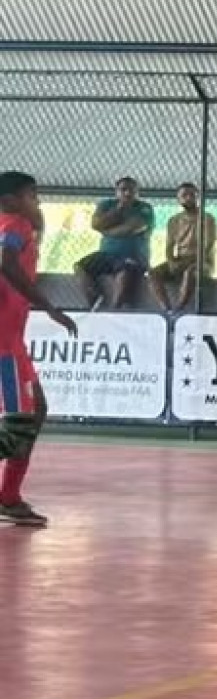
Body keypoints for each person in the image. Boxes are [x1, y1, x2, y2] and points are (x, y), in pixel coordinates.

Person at [0, 172, 78, 528]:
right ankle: (9, 497)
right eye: (33, 196)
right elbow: (6, 259)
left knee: (37, 411)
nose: (37, 203)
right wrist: (49, 306)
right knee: (20, 424)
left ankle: (9, 497)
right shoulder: (15, 223)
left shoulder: (14, 222)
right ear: (13, 199)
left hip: (12, 340)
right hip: (3, 343)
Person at [75, 176, 156, 309]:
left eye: (131, 190)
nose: (127, 193)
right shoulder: (106, 205)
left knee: (125, 271)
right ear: (116, 191)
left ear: (137, 192)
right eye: (123, 190)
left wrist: (107, 231)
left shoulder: (144, 208)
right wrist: (119, 209)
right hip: (107, 254)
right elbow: (96, 224)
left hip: (133, 255)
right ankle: (95, 299)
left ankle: (115, 308)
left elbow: (133, 227)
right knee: (80, 267)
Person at [148, 182, 217, 312]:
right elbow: (169, 246)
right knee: (153, 273)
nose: (188, 198)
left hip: (202, 262)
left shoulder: (207, 218)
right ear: (178, 199)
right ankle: (166, 308)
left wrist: (191, 261)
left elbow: (208, 245)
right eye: (184, 195)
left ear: (198, 197)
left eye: (192, 195)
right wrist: (171, 261)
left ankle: (179, 308)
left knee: (190, 272)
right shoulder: (174, 220)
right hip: (180, 259)